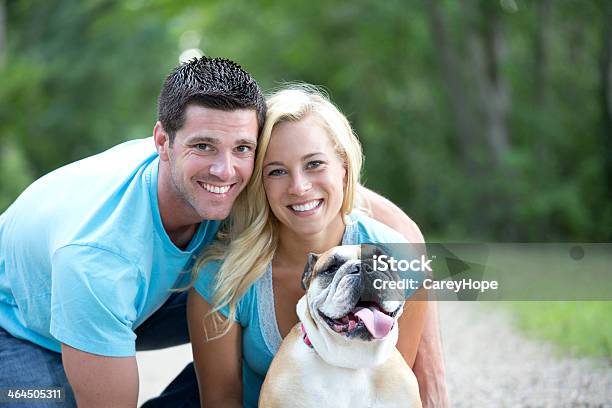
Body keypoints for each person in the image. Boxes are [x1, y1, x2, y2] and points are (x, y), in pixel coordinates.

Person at [0, 56, 265, 407]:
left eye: (242, 149)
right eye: (203, 146)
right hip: (20, 326)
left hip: (138, 301)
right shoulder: (98, 256)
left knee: (275, 297)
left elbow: (329, 190)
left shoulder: (248, 177)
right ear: (162, 142)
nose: (224, 170)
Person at [188, 85, 449, 408]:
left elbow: (393, 386)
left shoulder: (398, 257)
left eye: (314, 164)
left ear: (343, 166)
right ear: (259, 182)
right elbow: (222, 400)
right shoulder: (223, 276)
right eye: (277, 171)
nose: (299, 187)